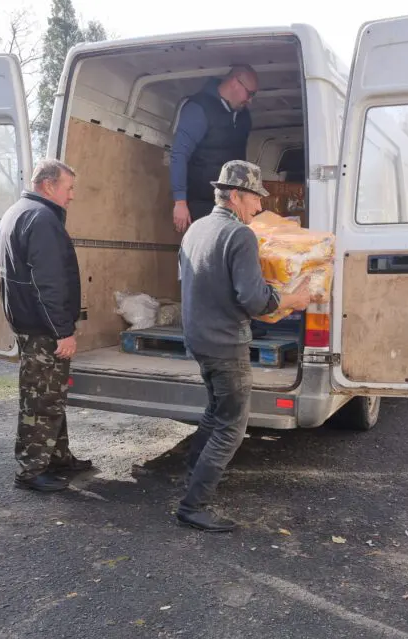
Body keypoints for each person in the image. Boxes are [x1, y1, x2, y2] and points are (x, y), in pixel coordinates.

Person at [176, 160, 311, 532]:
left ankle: (193, 474)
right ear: (235, 195)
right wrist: (292, 299)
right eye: (255, 198)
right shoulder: (240, 236)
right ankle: (193, 506)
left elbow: (195, 281)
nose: (259, 206)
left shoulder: (197, 229)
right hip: (225, 343)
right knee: (232, 427)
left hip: (199, 338)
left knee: (216, 411)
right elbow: (253, 300)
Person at [0, 159, 93, 493]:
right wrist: (62, 331)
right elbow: (47, 283)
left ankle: (57, 458)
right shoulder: (42, 219)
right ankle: (31, 470)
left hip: (30, 323)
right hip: (44, 329)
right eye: (69, 188)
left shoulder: (19, 212)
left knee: (50, 395)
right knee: (40, 401)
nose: (72, 195)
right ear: (49, 185)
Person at [171, 64, 259, 234]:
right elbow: (179, 154)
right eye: (250, 93)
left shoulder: (244, 117)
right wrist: (180, 202)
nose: (250, 100)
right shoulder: (199, 108)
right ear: (235, 82)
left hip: (232, 205)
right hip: (201, 203)